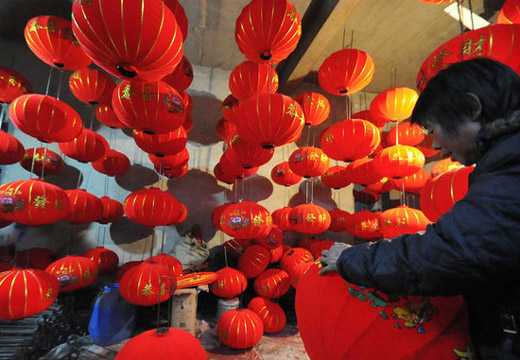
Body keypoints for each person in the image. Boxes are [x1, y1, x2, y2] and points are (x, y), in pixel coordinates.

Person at [319, 57, 520, 360]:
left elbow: (452, 251)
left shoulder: (511, 163)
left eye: (432, 128)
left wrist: (350, 259)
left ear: (471, 108)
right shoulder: (505, 160)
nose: (435, 145)